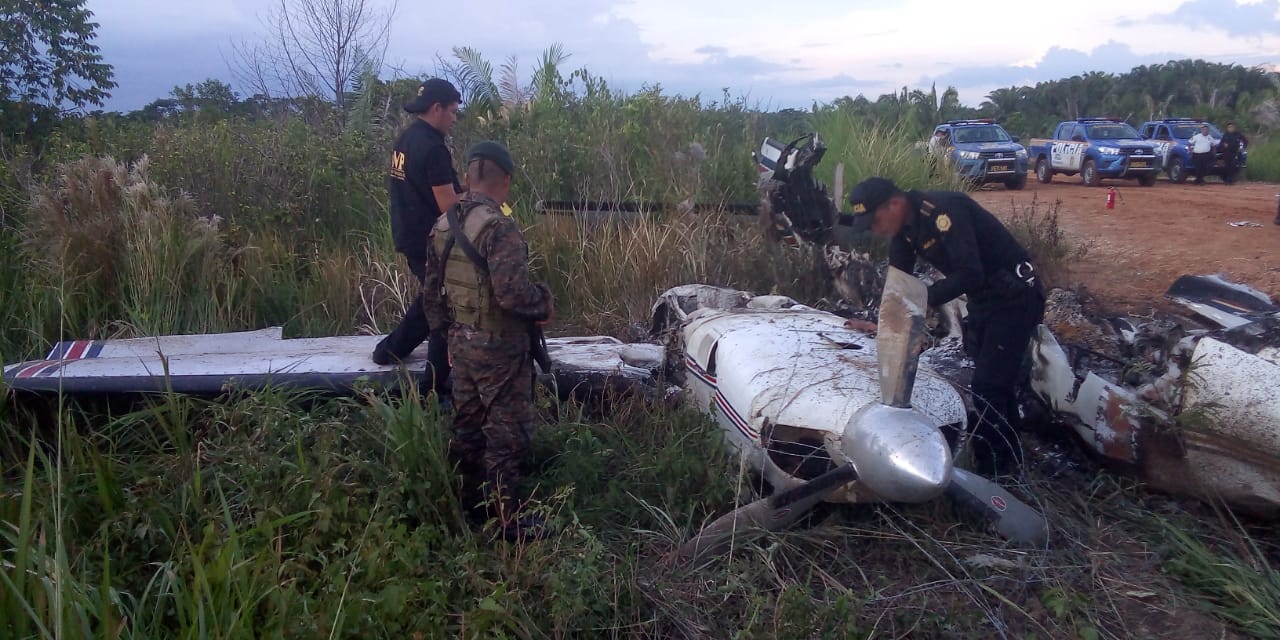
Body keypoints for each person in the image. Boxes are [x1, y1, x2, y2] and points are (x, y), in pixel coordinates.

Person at [845, 177, 1045, 477]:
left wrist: (922, 300)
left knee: (988, 386)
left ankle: (994, 473)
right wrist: (879, 321)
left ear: (894, 204)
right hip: (985, 302)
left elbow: (971, 273)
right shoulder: (904, 233)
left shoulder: (944, 211)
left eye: (874, 221)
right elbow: (899, 288)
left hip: (1016, 297)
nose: (875, 230)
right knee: (997, 384)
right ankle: (1012, 459)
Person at [425, 141, 554, 539]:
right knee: (507, 432)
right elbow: (512, 295)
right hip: (500, 347)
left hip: (461, 343)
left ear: (467, 178)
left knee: (467, 423)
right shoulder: (499, 228)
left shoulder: (443, 224)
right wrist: (543, 302)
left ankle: (468, 503)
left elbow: (431, 295)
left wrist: (449, 337)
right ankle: (505, 520)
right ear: (507, 181)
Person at [372, 78, 463, 403]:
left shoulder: (406, 139)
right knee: (442, 308)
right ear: (436, 108)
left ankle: (390, 350)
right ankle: (435, 388)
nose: (454, 119)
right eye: (452, 112)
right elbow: (448, 205)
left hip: (409, 233)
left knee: (431, 299)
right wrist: (479, 199)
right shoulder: (434, 148)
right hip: (430, 241)